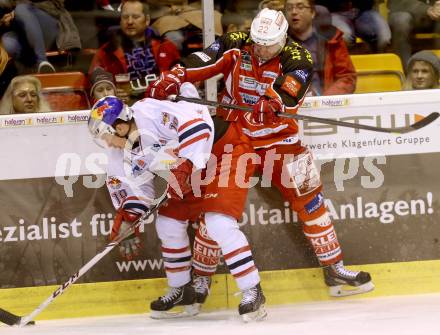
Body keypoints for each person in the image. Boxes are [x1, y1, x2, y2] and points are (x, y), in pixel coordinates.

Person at [146, 7, 374, 308]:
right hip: (233, 138)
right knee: (215, 208)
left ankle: (335, 269)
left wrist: (273, 100)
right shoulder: (237, 42)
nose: (262, 49)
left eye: (269, 44)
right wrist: (177, 75)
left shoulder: (299, 56)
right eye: (258, 42)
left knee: (312, 199)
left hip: (282, 141)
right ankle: (200, 280)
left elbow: (292, 88)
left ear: (283, 38)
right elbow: (205, 60)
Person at [87, 84, 215, 319]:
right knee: (167, 224)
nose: (107, 143)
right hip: (181, 182)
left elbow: (199, 124)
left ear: (121, 126)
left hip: (211, 162)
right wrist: (128, 220)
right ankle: (181, 288)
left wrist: (187, 164)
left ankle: (204, 279)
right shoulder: (120, 152)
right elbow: (135, 190)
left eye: (106, 136)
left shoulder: (151, 113)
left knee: (215, 225)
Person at [88, 0, 180, 102]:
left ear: (147, 20)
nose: (130, 21)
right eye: (125, 17)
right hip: (125, 110)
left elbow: (182, 81)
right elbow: (92, 90)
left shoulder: (165, 47)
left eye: (136, 17)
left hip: (163, 106)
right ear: (120, 20)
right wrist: (111, 94)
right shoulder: (106, 52)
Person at [284, 0, 356, 96]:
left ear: (312, 12)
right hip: (290, 103)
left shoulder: (332, 39)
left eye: (300, 7)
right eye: (289, 8)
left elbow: (347, 77)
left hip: (326, 103)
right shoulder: (279, 43)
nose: (294, 12)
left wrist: (326, 100)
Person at [0, 0, 81, 73]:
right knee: (7, 40)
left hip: (50, 24)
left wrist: (16, 12)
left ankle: (42, 62)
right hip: (26, 35)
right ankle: (34, 67)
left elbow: (57, 4)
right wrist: (7, 19)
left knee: (21, 9)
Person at [314, 0, 391, 52]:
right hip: (334, 12)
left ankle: (377, 67)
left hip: (363, 11)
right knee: (343, 37)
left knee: (384, 38)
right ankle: (346, 68)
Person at [388, 0, 440, 66]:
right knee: (401, 21)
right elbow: (397, 2)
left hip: (436, 15)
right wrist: (426, 9)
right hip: (407, 11)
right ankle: (407, 71)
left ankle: (437, 70)